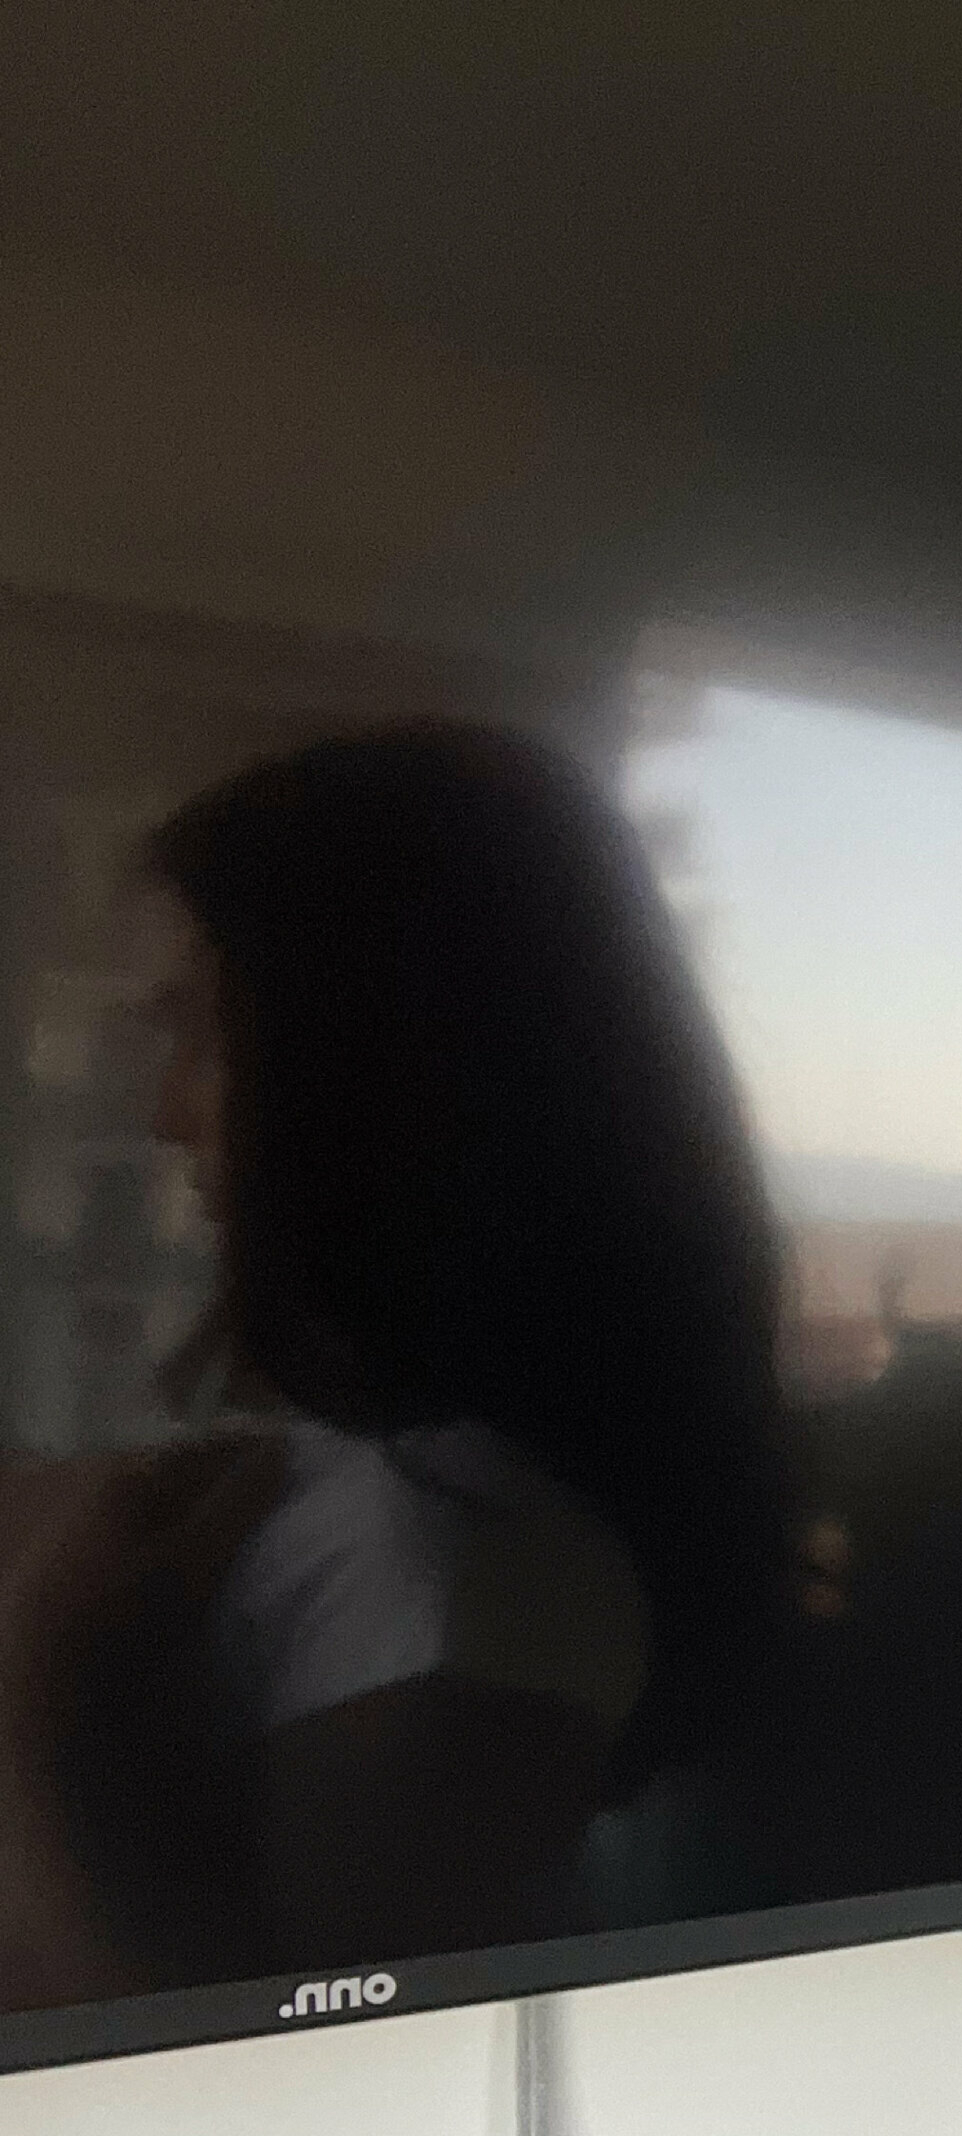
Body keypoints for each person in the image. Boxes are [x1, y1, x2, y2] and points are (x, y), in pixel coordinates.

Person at [0, 720, 795, 2005]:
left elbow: (322, 2075)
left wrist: (46, 1692)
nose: (165, 1115)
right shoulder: (375, 1516)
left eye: (205, 1035)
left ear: (368, 1060)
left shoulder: (457, 1576)